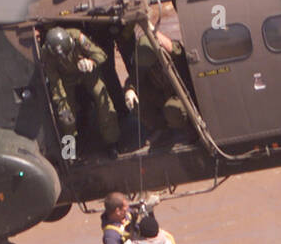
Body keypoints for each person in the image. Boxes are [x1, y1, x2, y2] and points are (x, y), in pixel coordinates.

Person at [42, 26, 120, 155]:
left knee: (102, 98)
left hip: (87, 72)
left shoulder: (77, 37)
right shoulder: (47, 53)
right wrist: (61, 102)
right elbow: (55, 81)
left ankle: (112, 141)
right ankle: (69, 151)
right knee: (65, 114)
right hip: (66, 79)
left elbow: (101, 54)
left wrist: (91, 62)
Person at [116, 20, 193, 144]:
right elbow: (134, 78)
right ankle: (161, 129)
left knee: (173, 110)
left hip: (180, 95)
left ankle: (188, 128)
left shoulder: (170, 56)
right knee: (137, 101)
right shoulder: (143, 61)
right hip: (160, 94)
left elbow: (174, 48)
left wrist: (153, 32)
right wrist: (130, 90)